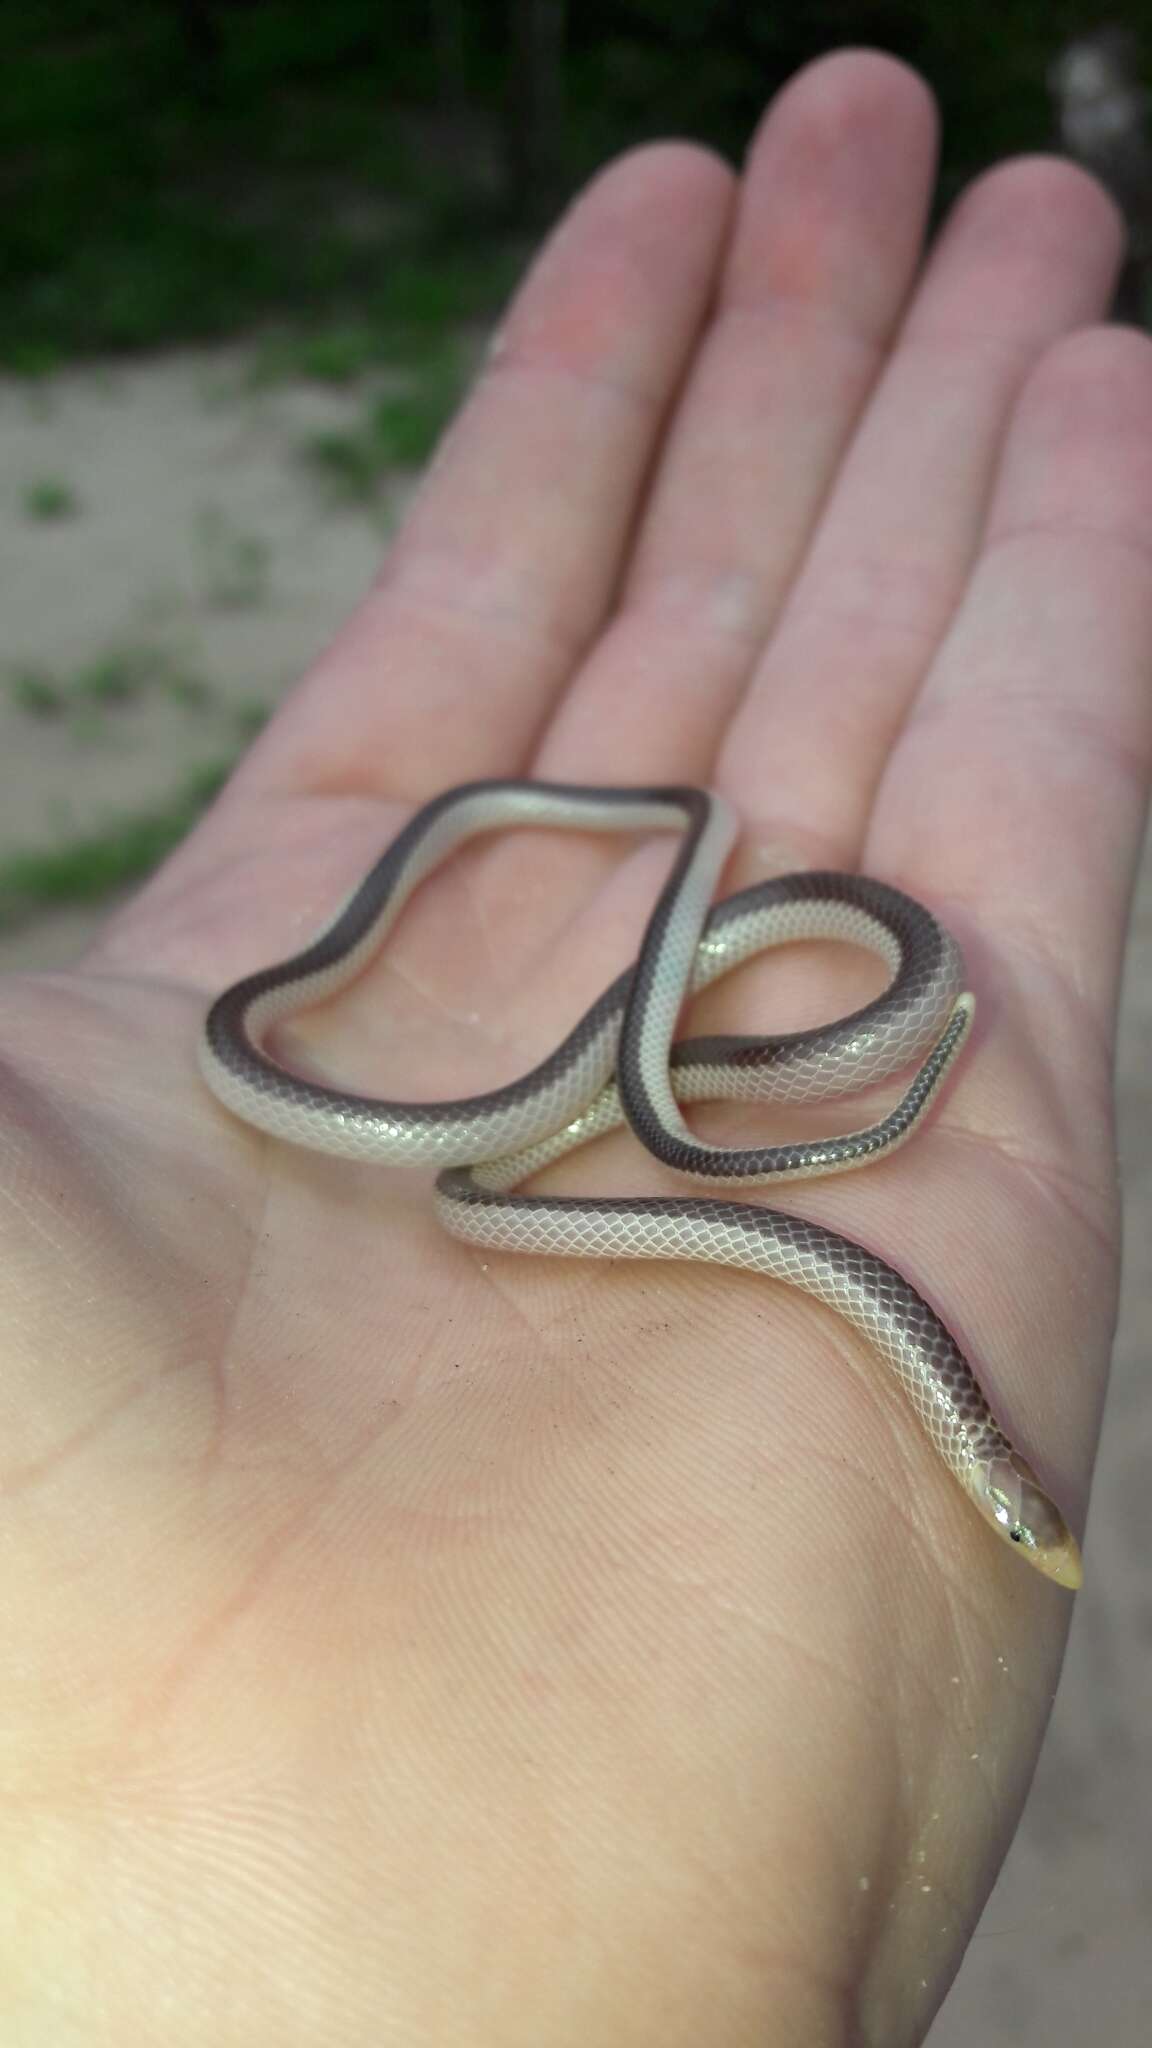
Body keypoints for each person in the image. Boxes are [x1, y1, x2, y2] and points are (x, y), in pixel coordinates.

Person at [1, 47, 1145, 2044]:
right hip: (549, 1082)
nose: (1034, 1536)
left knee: (570, 1128)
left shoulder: (792, 1103)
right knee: (548, 1120)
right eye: (1033, 1517)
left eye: (1031, 1522)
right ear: (997, 1478)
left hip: (649, 1082)